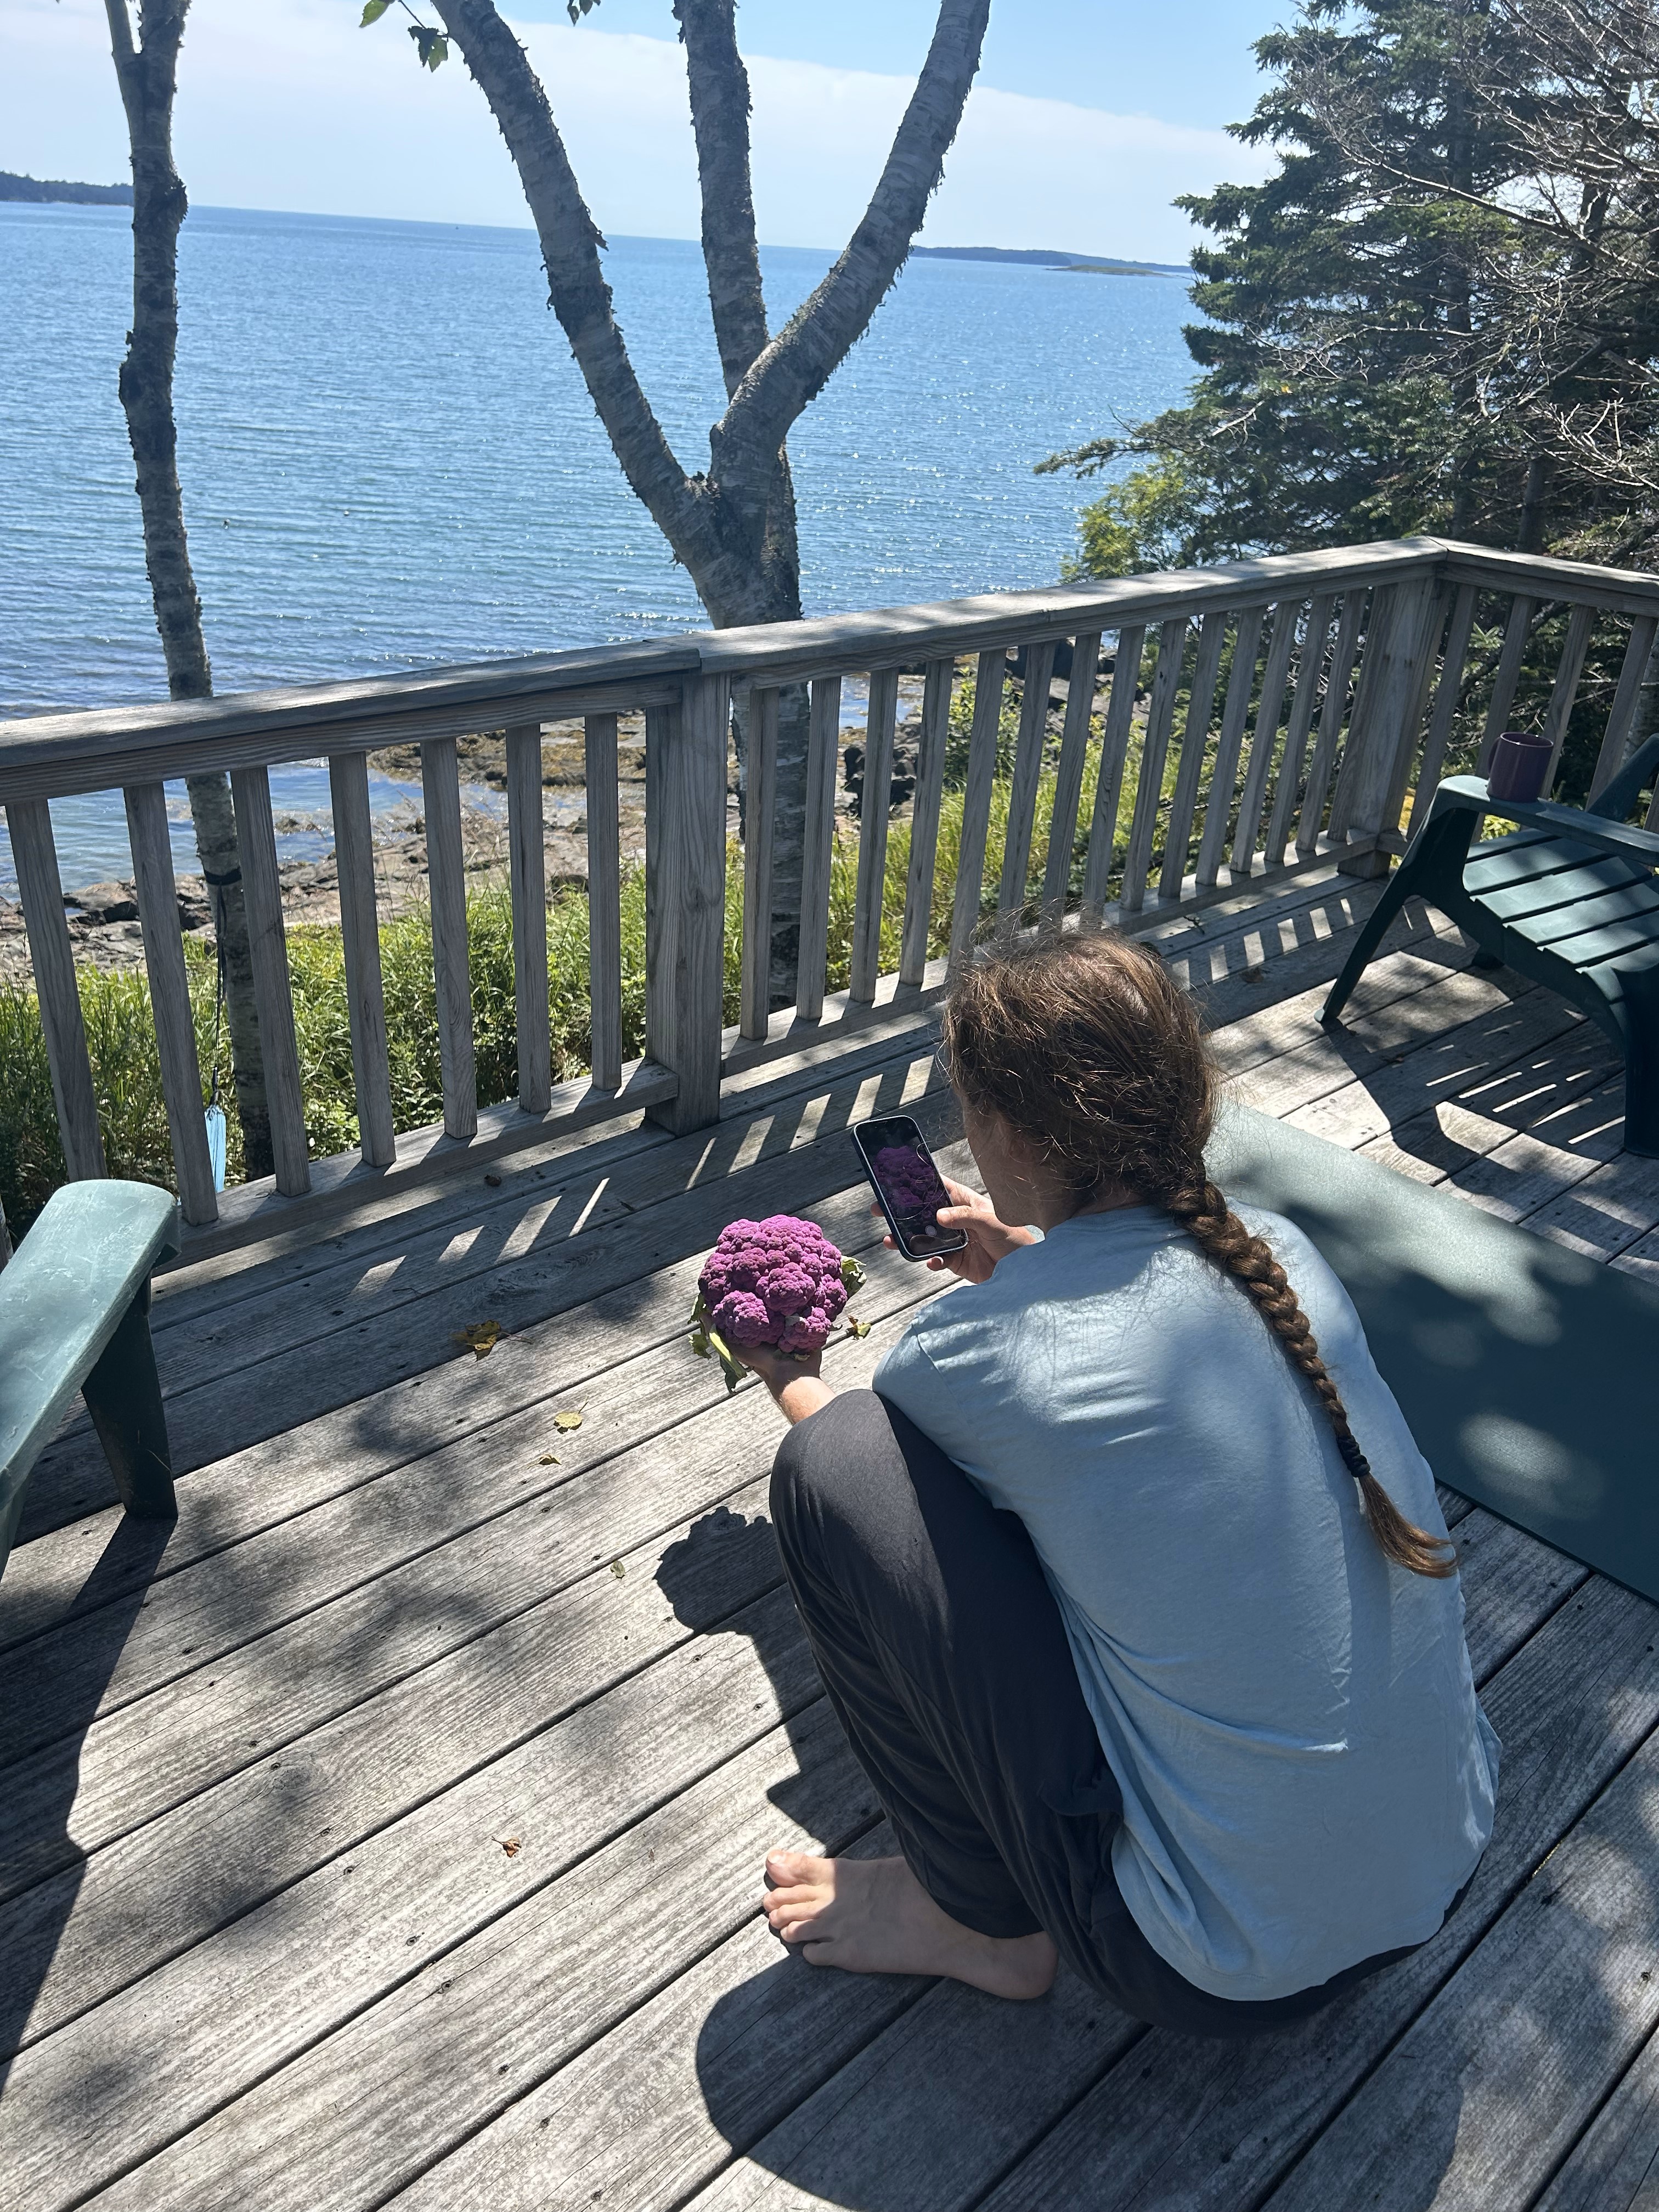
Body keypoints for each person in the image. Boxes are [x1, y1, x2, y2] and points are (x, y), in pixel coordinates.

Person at [736, 930, 1499, 2034]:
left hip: (1211, 1964)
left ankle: (979, 1925)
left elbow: (870, 1482)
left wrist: (790, 1376)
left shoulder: (977, 1354)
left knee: (831, 1460)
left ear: (998, 1130)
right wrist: (1039, 1264)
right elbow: (1126, 1361)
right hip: (1441, 1866)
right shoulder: (1278, 1248)